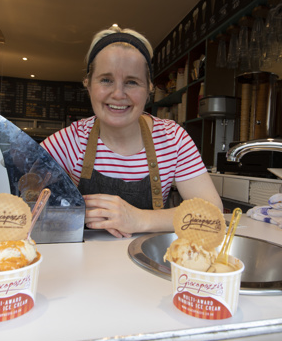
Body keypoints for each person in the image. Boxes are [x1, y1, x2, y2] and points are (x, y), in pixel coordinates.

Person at [41, 26, 222, 238]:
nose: (118, 94)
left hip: (148, 261)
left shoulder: (173, 139)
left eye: (132, 82)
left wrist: (138, 219)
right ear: (88, 85)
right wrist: (73, 212)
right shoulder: (70, 141)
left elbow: (213, 215)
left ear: (149, 90)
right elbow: (25, 202)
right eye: (106, 80)